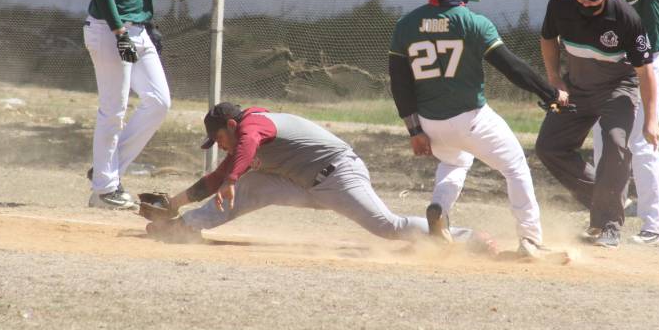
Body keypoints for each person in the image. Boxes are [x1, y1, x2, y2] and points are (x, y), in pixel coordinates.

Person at [387, 0, 568, 257]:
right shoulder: (473, 23)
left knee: (455, 162)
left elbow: (399, 83)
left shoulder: (406, 24)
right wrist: (550, 93)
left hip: (430, 123)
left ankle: (440, 212)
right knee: (515, 168)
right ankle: (531, 240)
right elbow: (512, 68)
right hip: (471, 118)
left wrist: (414, 129)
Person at [143, 103, 497, 254]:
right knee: (248, 188)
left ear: (231, 125)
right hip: (303, 182)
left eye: (219, 138)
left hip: (339, 174)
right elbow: (219, 175)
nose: (219, 146)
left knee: (387, 226)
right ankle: (183, 226)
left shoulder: (253, 124)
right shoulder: (241, 141)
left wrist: (232, 177)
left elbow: (243, 151)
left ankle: (466, 239)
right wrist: (172, 204)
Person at [535, 0, 659, 249]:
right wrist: (555, 79)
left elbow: (645, 72)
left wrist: (651, 120)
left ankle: (609, 225)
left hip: (617, 88)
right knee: (548, 146)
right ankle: (607, 198)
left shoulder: (626, 17)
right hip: (576, 88)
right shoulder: (559, 4)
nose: (586, 2)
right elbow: (547, 39)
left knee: (616, 144)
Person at [83, 0, 170, 209]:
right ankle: (105, 190)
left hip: (137, 28)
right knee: (113, 110)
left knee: (159, 101)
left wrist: (148, 25)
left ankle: (106, 171)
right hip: (110, 29)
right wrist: (120, 31)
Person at [592, 0, 659, 246]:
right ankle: (604, 220)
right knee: (602, 142)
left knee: (640, 144)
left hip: (645, 68)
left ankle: (653, 226)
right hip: (611, 68)